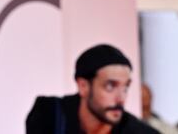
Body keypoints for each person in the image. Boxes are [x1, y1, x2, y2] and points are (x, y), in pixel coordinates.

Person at [26, 44, 159, 133]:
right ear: (83, 86)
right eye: (110, 86)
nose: (121, 99)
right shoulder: (51, 115)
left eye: (125, 87)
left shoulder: (139, 131)